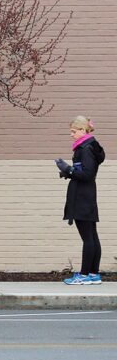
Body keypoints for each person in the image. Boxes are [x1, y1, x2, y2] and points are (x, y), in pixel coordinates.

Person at [57, 116, 105, 285]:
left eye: (73, 131)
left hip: (82, 197)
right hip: (87, 195)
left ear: (83, 130)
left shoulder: (85, 149)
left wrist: (68, 169)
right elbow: (84, 171)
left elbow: (87, 174)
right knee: (92, 236)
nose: (72, 135)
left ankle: (84, 275)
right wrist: (68, 173)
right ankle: (93, 274)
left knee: (88, 237)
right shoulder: (88, 147)